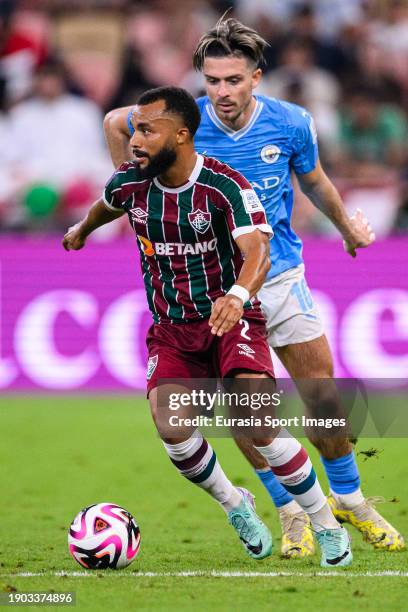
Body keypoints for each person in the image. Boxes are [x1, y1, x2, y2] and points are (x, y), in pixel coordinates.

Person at [102, 19, 405, 557]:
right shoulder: (181, 122)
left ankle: (350, 500)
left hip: (281, 274)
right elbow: (113, 122)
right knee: (245, 414)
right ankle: (291, 514)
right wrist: (140, 197)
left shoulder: (292, 123)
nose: (222, 92)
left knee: (325, 401)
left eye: (233, 80)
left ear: (256, 79)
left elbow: (313, 179)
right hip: (217, 290)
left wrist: (346, 229)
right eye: (212, 80)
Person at [63, 86, 353, 567]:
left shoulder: (224, 186)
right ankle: (236, 505)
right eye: (135, 128)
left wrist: (238, 296)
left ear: (180, 135)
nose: (135, 140)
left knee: (257, 423)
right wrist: (82, 229)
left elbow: (258, 252)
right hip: (173, 328)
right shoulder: (129, 182)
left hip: (231, 321)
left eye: (147, 130)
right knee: (171, 425)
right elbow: (107, 204)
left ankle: (324, 525)